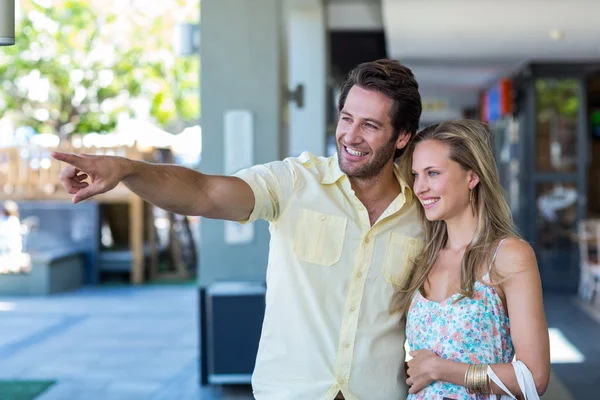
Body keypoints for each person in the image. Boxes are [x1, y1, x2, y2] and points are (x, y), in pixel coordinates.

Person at [52, 59, 424, 400]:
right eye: (346, 118)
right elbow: (204, 193)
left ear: (402, 136)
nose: (351, 135)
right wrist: (129, 169)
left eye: (370, 125)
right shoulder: (296, 181)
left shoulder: (423, 212)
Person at [391, 120, 550, 399]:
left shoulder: (508, 256)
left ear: (472, 177)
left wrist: (441, 369)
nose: (420, 187)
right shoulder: (424, 257)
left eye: (433, 173)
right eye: (416, 175)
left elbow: (533, 378)